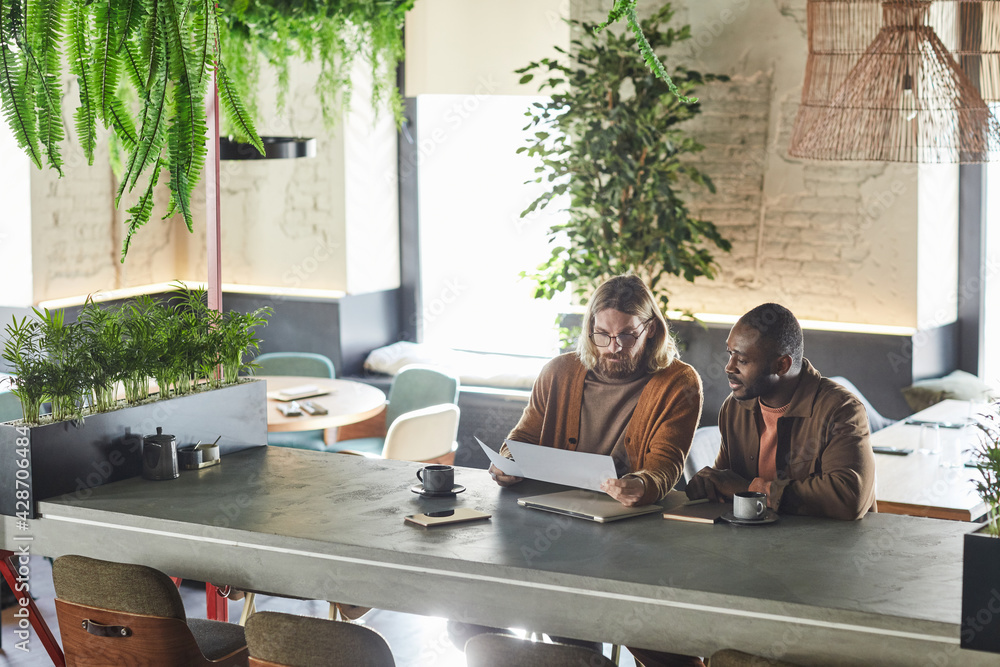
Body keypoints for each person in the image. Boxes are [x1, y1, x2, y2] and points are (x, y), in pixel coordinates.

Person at [490, 273, 704, 506]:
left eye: (626, 335)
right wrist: (508, 462)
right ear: (591, 327)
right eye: (602, 334)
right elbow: (523, 439)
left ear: (650, 329)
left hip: (624, 514)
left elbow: (665, 465)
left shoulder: (679, 382)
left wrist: (643, 484)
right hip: (549, 505)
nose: (614, 347)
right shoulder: (558, 372)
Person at [686, 302, 876, 520]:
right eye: (730, 354)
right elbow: (726, 484)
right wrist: (709, 484)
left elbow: (850, 497)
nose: (729, 367)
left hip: (830, 548)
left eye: (743, 359)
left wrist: (753, 489)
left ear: (782, 365)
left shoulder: (841, 409)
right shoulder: (734, 408)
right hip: (755, 546)